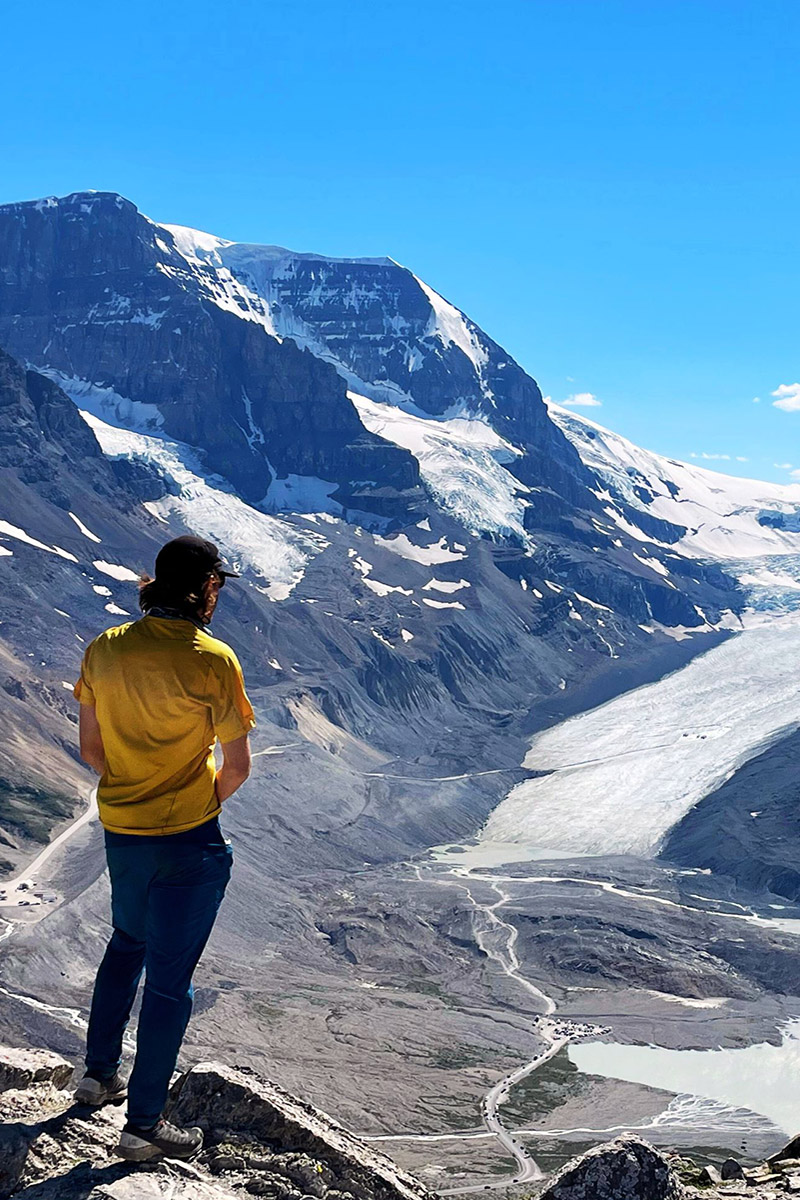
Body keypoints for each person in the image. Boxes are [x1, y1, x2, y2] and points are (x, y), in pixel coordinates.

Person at [72, 535, 255, 1161]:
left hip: (124, 830)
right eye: (217, 586)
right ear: (206, 587)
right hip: (189, 841)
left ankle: (97, 1077)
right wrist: (196, 804)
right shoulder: (213, 660)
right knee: (171, 984)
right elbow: (237, 767)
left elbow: (92, 752)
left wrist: (134, 789)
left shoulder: (104, 650)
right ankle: (143, 1126)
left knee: (127, 944)